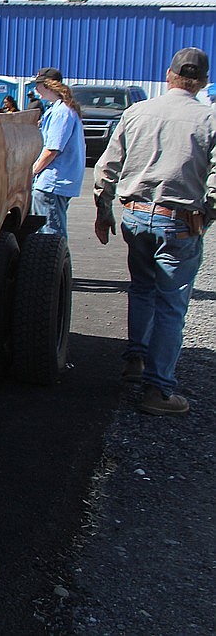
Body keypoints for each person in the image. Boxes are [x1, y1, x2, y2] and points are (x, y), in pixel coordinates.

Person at [93, 47, 216, 416]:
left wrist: (103, 210)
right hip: (179, 220)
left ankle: (136, 360)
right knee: (171, 305)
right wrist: (205, 218)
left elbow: (107, 166)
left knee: (142, 288)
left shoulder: (137, 112)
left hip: (135, 214)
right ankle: (158, 390)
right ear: (204, 81)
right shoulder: (209, 119)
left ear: (169, 75)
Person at [30, 67, 86, 239]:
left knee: (50, 233)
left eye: (38, 85)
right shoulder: (59, 109)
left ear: (48, 86)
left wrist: (32, 171)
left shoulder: (61, 113)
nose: (35, 89)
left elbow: (52, 150)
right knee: (51, 227)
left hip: (52, 181)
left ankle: (53, 265)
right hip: (57, 180)